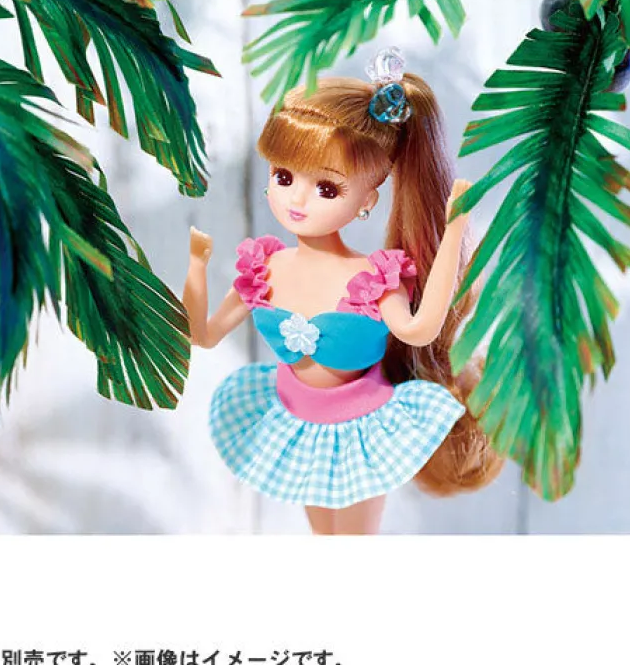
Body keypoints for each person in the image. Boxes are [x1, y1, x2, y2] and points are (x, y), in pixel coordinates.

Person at [182, 47, 502, 535]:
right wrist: (196, 269)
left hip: (361, 434)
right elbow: (202, 335)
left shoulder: (371, 278)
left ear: (367, 199)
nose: (296, 198)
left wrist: (454, 232)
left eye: (326, 188)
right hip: (296, 426)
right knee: (321, 534)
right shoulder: (263, 268)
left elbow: (419, 330)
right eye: (283, 176)